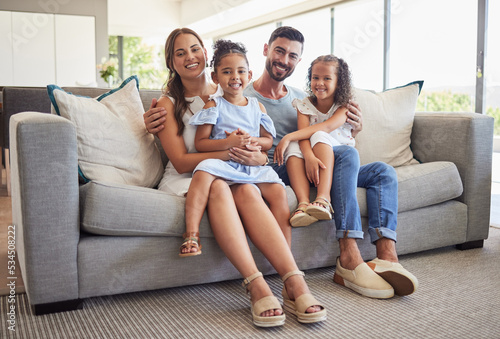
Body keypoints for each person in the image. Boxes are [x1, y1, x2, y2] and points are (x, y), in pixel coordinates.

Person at [145, 26, 418, 299]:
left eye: (292, 55)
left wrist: (352, 130)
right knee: (340, 157)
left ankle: (387, 258)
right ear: (265, 50)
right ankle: (347, 256)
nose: (284, 60)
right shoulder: (238, 91)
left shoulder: (300, 98)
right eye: (279, 50)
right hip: (275, 166)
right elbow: (211, 137)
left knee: (379, 170)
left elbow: (316, 131)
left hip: (308, 158)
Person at [150, 27, 326, 327]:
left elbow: (262, 142)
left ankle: (293, 281)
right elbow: (180, 162)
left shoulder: (232, 92)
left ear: (206, 55)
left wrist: (256, 157)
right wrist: (231, 151)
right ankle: (256, 285)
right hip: (192, 174)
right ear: (171, 62)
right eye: (180, 53)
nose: (189, 57)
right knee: (219, 185)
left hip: (235, 169)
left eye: (194, 49)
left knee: (247, 190)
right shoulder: (167, 104)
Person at [182, 39, 292, 256]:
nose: (235, 77)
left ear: (249, 76)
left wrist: (251, 140)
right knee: (202, 173)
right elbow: (201, 143)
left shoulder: (256, 106)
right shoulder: (214, 105)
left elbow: (268, 140)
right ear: (215, 77)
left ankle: (286, 253)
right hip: (224, 163)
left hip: (252, 165)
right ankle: (191, 235)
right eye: (227, 71)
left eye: (241, 71)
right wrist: (230, 143)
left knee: (279, 191)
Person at [273, 54, 354, 228]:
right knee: (294, 146)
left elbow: (325, 128)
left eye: (327, 78)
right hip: (314, 153)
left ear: (339, 82)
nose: (319, 83)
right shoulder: (305, 105)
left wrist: (287, 137)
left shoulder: (344, 106)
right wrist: (308, 156)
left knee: (317, 135)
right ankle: (303, 204)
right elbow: (302, 135)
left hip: (339, 154)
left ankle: (323, 199)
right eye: (315, 78)